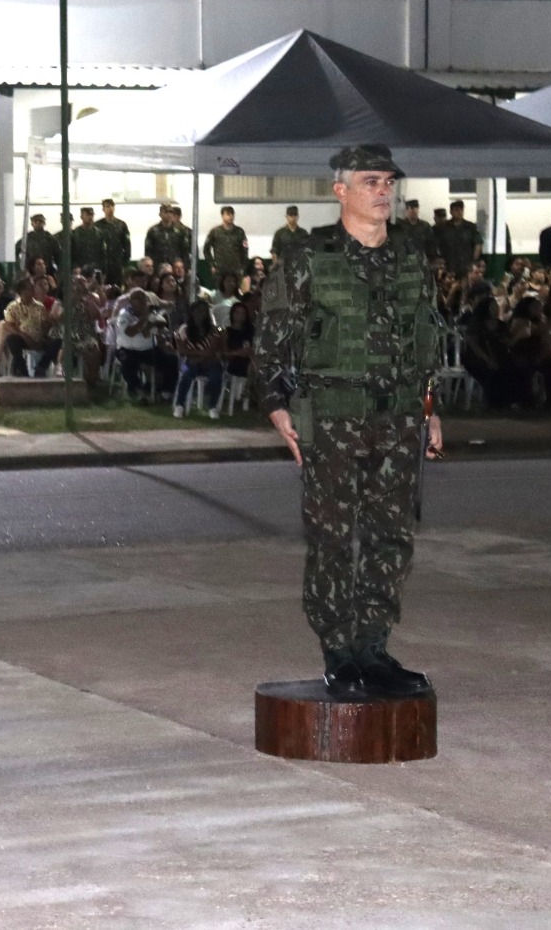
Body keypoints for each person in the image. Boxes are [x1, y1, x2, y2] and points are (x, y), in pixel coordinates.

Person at [256, 144, 443, 701]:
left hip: (401, 417)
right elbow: (271, 340)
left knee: (392, 537)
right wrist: (277, 407)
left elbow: (427, 339)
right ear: (340, 190)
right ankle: (339, 650)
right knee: (333, 538)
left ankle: (373, 647)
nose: (383, 190)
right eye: (370, 181)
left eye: (388, 181)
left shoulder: (412, 257)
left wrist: (431, 410)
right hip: (333, 417)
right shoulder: (309, 257)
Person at [173, 300, 225, 418]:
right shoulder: (184, 329)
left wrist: (198, 356)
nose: (200, 313)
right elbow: (181, 351)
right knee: (185, 373)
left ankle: (212, 407)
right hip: (188, 362)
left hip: (211, 362)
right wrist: (200, 354)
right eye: (197, 310)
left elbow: (212, 350)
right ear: (191, 312)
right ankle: (179, 405)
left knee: (217, 376)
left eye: (203, 310)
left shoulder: (215, 329)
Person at [204, 206, 249, 280]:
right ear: (222, 216)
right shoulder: (215, 232)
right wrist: (212, 264)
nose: (231, 216)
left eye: (232, 214)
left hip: (236, 269)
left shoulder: (239, 231)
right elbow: (206, 250)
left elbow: (245, 249)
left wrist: (243, 267)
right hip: (220, 269)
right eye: (228, 214)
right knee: (220, 290)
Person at [145, 203, 192, 271]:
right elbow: (148, 251)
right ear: (160, 214)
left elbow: (185, 251)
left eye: (171, 212)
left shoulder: (181, 231)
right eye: (166, 212)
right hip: (158, 266)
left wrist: (186, 267)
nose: (169, 214)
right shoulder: (153, 231)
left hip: (176, 266)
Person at [95, 198, 132, 283]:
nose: (110, 208)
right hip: (102, 264)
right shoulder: (97, 225)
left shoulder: (121, 225)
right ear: (103, 209)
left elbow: (127, 244)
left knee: (117, 287)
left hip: (117, 263)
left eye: (112, 206)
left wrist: (125, 262)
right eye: (107, 206)